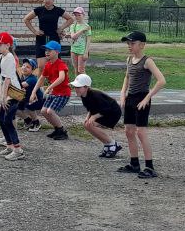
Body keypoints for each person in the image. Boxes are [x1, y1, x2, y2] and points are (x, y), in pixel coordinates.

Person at [116, 31, 166, 178]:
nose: (129, 46)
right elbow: (127, 77)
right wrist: (122, 93)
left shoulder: (147, 61)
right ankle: (134, 164)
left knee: (141, 132)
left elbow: (161, 81)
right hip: (130, 98)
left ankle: (150, 167)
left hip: (142, 98)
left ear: (142, 45)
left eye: (132, 43)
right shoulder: (129, 59)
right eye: (128, 43)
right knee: (128, 131)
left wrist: (147, 98)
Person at [70, 73, 124, 161]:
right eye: (75, 87)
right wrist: (88, 117)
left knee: (91, 125)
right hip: (102, 112)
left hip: (112, 113)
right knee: (87, 124)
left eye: (78, 87)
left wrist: (94, 117)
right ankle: (107, 144)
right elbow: (90, 108)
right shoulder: (84, 96)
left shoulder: (95, 95)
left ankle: (113, 144)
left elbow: (106, 108)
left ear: (86, 87)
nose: (76, 89)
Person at [0, 32, 26, 160]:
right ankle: (10, 146)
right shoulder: (0, 57)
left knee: (7, 120)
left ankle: (18, 149)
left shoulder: (10, 57)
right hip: (6, 95)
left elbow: (8, 79)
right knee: (1, 119)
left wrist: (4, 97)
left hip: (13, 94)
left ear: (8, 45)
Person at [24, 0, 75, 74]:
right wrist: (35, 31)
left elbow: (70, 19)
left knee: (55, 65)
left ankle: (55, 81)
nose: (47, 1)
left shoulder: (58, 10)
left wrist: (61, 28)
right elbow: (26, 19)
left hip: (54, 39)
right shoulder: (39, 10)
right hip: (41, 39)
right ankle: (41, 82)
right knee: (41, 66)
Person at [35, 40, 72, 140]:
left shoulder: (60, 64)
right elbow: (41, 78)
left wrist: (49, 88)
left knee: (50, 111)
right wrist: (34, 92)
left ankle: (62, 131)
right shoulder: (48, 64)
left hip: (63, 93)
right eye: (46, 50)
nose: (47, 52)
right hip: (55, 92)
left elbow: (61, 78)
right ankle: (57, 129)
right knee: (43, 111)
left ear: (57, 52)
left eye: (49, 50)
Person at [18, 58, 45, 132]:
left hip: (37, 100)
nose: (24, 68)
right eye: (23, 65)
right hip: (27, 98)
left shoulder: (32, 79)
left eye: (28, 67)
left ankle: (36, 122)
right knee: (16, 107)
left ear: (32, 70)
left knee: (29, 107)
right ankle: (28, 121)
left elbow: (20, 86)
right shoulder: (23, 77)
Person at [65, 7, 92, 74]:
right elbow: (73, 37)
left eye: (79, 15)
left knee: (81, 70)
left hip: (82, 51)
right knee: (76, 69)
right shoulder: (73, 26)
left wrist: (86, 53)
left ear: (83, 15)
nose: (77, 17)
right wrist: (82, 30)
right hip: (73, 50)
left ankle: (85, 81)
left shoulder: (87, 27)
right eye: (75, 15)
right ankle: (77, 81)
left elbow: (88, 41)